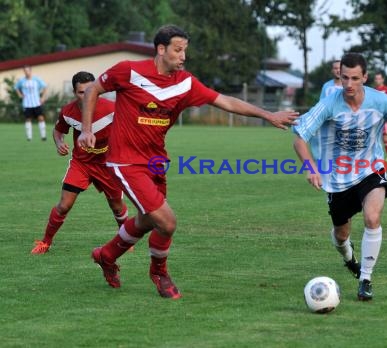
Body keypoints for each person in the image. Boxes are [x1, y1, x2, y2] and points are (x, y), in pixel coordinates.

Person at [77, 24, 299, 299]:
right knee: (167, 222)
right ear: (161, 49)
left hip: (156, 161)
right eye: (178, 50)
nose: (183, 56)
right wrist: (86, 130)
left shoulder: (185, 83)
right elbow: (92, 91)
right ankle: (159, 272)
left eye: (185, 51)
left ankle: (106, 256)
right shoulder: (129, 70)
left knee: (148, 220)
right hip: (125, 161)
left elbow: (225, 102)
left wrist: (268, 115)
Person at [293, 52, 387, 301]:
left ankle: (366, 278)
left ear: (365, 77)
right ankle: (349, 257)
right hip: (336, 178)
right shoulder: (329, 103)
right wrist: (311, 168)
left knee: (372, 216)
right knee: (341, 234)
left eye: (355, 78)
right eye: (345, 78)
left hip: (370, 170)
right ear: (339, 76)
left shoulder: (381, 101)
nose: (349, 84)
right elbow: (300, 138)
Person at [30, 72, 129, 254]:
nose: (88, 96)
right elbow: (58, 131)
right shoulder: (68, 111)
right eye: (82, 92)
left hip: (108, 165)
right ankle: (46, 242)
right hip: (82, 163)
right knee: (64, 205)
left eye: (92, 90)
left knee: (116, 205)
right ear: (74, 92)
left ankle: (125, 239)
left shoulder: (112, 109)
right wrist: (59, 143)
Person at [15, 65, 48, 141]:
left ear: (30, 71)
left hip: (36, 103)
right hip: (27, 104)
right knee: (28, 119)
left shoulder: (36, 79)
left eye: (28, 70)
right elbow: (16, 87)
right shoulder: (22, 81)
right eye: (25, 71)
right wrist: (20, 95)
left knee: (41, 118)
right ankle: (29, 137)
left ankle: (43, 136)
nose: (27, 72)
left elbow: (45, 87)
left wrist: (43, 97)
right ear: (24, 72)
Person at [374, 72, 387, 162]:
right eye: (376, 79)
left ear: (382, 79)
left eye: (379, 78)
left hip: (384, 117)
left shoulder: (386, 90)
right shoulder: (373, 90)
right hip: (375, 117)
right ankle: (376, 157)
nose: (378, 80)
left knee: (385, 136)